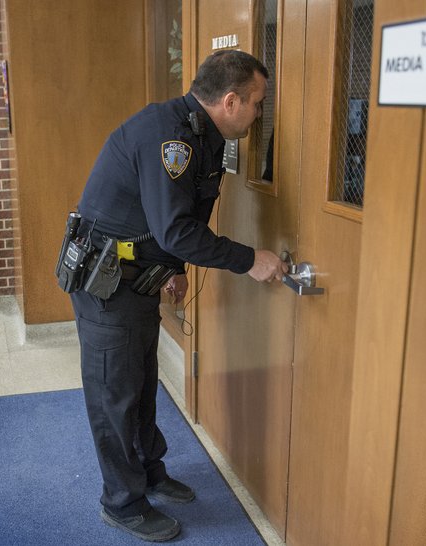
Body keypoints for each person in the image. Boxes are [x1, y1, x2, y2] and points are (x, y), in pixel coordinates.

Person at [69, 50, 287, 542]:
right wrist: (250, 259)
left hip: (139, 275)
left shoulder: (198, 131)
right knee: (115, 395)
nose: (259, 114)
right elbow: (174, 229)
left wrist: (172, 268)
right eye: (257, 104)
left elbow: (172, 221)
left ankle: (149, 472)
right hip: (107, 283)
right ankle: (121, 502)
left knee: (142, 381)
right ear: (230, 100)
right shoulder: (170, 137)